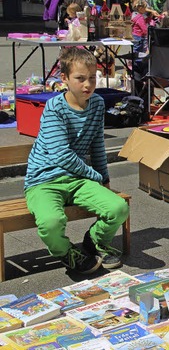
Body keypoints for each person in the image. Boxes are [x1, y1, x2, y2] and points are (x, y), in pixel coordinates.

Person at [24, 47, 129, 273]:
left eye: (92, 78)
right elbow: (61, 155)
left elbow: (97, 145)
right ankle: (66, 252)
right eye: (80, 79)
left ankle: (94, 241)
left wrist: (106, 179)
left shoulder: (97, 103)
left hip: (77, 178)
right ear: (64, 79)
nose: (88, 85)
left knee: (118, 207)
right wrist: (95, 175)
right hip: (44, 180)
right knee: (51, 223)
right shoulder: (54, 108)